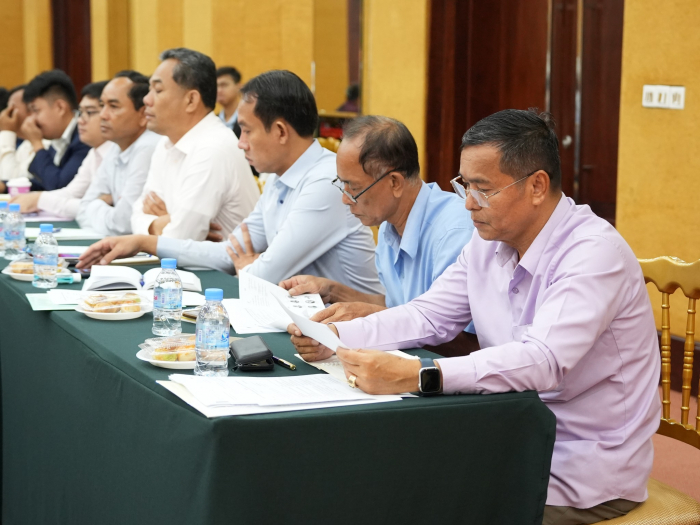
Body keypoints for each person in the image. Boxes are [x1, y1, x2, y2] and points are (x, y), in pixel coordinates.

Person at [291, 109, 661, 524]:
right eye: (464, 185)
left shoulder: (593, 253)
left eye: (482, 190)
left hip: (581, 466)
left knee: (422, 501)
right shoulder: (489, 240)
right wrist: (337, 334)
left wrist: (419, 375)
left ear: (537, 186)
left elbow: (543, 360)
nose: (467, 203)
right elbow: (429, 314)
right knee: (384, 476)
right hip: (507, 433)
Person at [77, 70, 382, 296]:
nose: (240, 143)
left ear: (280, 131)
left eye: (247, 131)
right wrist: (144, 242)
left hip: (355, 333)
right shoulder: (280, 178)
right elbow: (230, 253)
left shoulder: (326, 181)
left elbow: (261, 275)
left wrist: (250, 264)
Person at [280, 115, 475, 352]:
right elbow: (396, 305)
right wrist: (332, 291)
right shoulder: (387, 225)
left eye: (354, 188)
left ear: (395, 183)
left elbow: (465, 341)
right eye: (342, 184)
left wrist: (369, 317)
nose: (345, 199)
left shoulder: (454, 233)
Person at [130, 48, 258, 241]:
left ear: (191, 100)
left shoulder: (213, 147)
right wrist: (159, 225)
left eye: (158, 90)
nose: (146, 100)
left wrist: (169, 224)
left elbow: (179, 240)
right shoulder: (167, 142)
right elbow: (138, 212)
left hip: (224, 262)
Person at [75, 71, 160, 235]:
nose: (103, 115)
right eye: (102, 105)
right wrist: (104, 206)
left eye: (113, 106)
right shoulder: (116, 145)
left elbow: (123, 225)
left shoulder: (148, 147)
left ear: (143, 114)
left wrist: (96, 204)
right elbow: (82, 211)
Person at [10, 81, 110, 217]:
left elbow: (58, 185)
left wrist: (36, 143)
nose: (80, 120)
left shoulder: (86, 144)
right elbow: (72, 192)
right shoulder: (94, 151)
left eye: (89, 112)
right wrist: (36, 199)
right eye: (81, 113)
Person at [23, 69, 91, 191]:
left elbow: (59, 186)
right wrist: (4, 185)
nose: (31, 119)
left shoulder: (85, 138)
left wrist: (37, 144)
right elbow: (44, 180)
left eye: (36, 111)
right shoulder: (59, 136)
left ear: (60, 107)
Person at [0, 84, 50, 192]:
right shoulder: (26, 144)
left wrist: (7, 132)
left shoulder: (46, 143)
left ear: (31, 111)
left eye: (11, 109)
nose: (5, 115)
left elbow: (12, 183)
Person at [216, 66, 242, 136]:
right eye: (216, 86)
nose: (219, 90)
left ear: (238, 86)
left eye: (224, 85)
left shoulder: (248, 119)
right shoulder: (213, 121)